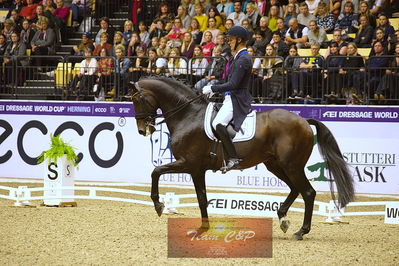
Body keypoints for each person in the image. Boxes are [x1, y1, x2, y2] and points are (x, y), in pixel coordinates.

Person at [202, 25, 252, 172]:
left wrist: (213, 88)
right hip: (229, 97)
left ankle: (234, 158)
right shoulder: (237, 57)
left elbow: (234, 84)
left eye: (231, 39)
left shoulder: (243, 59)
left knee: (218, 123)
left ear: (239, 40)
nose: (228, 42)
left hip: (237, 99)